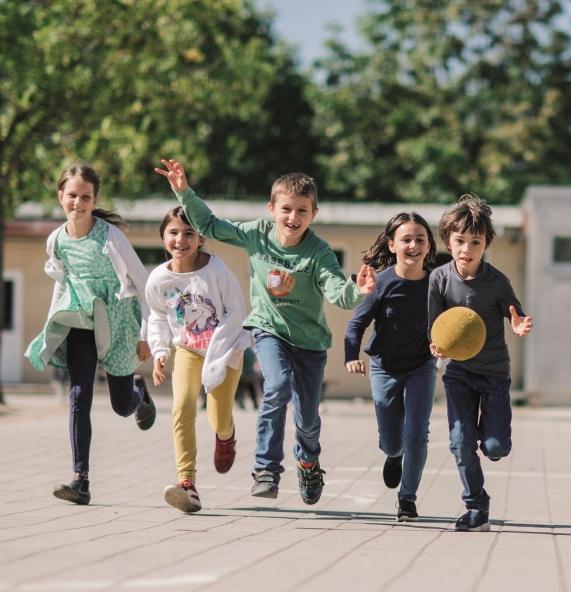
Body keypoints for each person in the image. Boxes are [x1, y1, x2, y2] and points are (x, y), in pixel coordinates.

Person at [154, 159, 374, 505]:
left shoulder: (318, 252)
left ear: (313, 214)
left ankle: (308, 460)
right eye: (286, 209)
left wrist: (356, 289)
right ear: (272, 209)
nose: (293, 217)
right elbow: (210, 225)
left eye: (302, 210)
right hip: (269, 330)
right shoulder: (257, 233)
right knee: (276, 386)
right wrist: (184, 191)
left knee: (308, 419)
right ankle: (266, 468)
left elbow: (336, 291)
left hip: (310, 342)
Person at [27, 163, 157, 505]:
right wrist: (50, 330)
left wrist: (147, 335)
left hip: (117, 323)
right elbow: (62, 288)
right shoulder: (56, 240)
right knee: (79, 395)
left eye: (85, 197)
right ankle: (80, 480)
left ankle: (138, 394)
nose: (78, 203)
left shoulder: (110, 237)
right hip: (81, 325)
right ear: (60, 196)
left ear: (94, 198)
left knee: (119, 405)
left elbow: (144, 284)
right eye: (72, 195)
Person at [427, 195, 533, 531]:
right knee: (460, 441)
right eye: (459, 241)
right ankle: (476, 504)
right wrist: (436, 347)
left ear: (486, 244)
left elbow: (515, 313)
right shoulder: (439, 279)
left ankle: (495, 442)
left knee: (496, 447)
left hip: (493, 373)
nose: (466, 249)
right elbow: (434, 328)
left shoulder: (497, 281)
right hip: (458, 374)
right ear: (448, 241)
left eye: (475, 242)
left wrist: (517, 324)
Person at [145, 206, 250, 513]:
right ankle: (187, 482)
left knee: (217, 417)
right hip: (188, 350)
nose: (181, 239)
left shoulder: (217, 272)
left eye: (189, 233)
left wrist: (219, 350)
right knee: (182, 406)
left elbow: (237, 312)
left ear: (200, 238)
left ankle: (226, 435)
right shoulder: (159, 279)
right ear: (163, 237)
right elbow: (158, 317)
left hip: (226, 349)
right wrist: (161, 352)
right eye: (174, 232)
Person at [345, 212, 439, 522]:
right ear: (392, 245)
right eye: (406, 239)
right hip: (384, 366)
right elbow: (356, 324)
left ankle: (407, 499)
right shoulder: (382, 282)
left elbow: (451, 322)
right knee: (392, 438)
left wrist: (447, 346)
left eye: (420, 240)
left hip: (421, 366)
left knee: (417, 433)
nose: (413, 245)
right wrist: (351, 355)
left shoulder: (437, 282)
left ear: (428, 247)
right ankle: (393, 454)